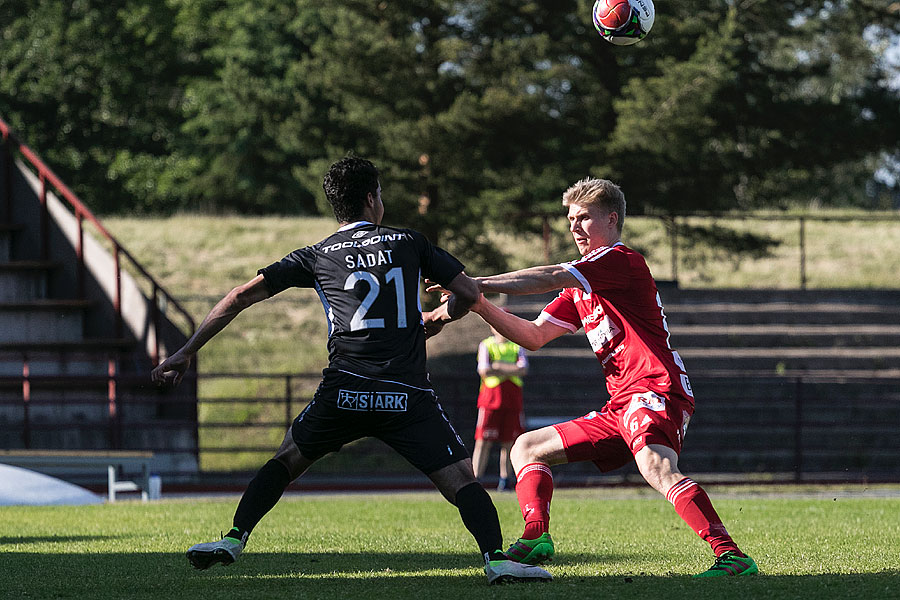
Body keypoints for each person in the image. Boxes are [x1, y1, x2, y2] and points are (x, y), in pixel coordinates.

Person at [150, 157, 551, 585]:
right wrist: (444, 311)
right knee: (461, 479)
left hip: (345, 391)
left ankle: (233, 538)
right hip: (405, 396)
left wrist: (187, 352)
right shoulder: (409, 241)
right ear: (371, 198)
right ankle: (494, 558)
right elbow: (469, 293)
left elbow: (239, 296)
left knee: (285, 460)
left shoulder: (318, 254)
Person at [427, 177, 757, 578]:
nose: (573, 227)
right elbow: (533, 336)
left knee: (655, 465)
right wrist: (478, 304)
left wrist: (472, 283)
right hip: (621, 403)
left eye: (583, 217)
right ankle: (535, 536)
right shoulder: (579, 289)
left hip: (656, 388)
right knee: (527, 448)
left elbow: (549, 275)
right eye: (569, 219)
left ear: (612, 219)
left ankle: (731, 556)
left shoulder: (622, 261)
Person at [473, 321, 528, 491]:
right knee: (483, 441)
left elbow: (523, 368)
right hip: (490, 399)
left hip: (512, 399)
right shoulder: (486, 345)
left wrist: (497, 366)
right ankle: (475, 480)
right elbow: (484, 369)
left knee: (509, 441)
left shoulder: (517, 345)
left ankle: (505, 479)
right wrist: (510, 369)